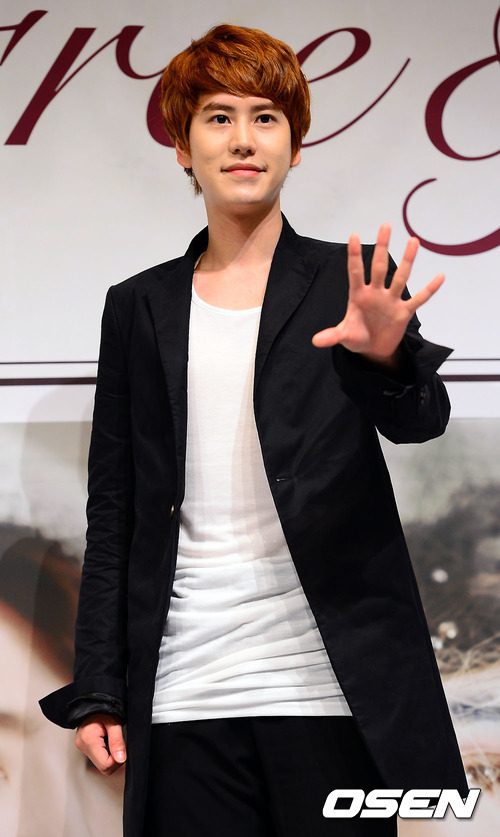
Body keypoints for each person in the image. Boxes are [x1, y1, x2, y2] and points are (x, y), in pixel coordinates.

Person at [40, 23, 468, 837]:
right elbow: (115, 506)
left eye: (266, 118)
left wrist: (385, 358)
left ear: (295, 145)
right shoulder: (138, 305)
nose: (244, 139)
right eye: (219, 117)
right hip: (186, 690)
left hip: (328, 691)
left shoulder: (351, 283)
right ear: (183, 146)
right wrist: (98, 683)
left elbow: (422, 420)